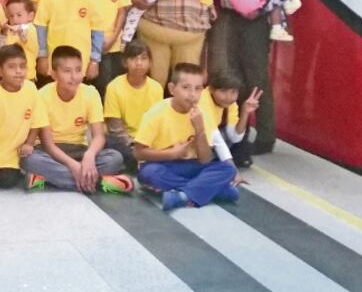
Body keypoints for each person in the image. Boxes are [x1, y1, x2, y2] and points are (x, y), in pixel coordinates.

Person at [208, 0, 297, 156]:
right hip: (234, 18)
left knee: (257, 77)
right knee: (236, 75)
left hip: (256, 23)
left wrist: (265, 8)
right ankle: (242, 131)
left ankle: (266, 136)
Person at [20, 46, 131, 194]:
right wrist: (74, 166)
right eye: (67, 71)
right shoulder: (42, 96)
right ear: (53, 74)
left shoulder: (90, 93)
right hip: (51, 152)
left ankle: (47, 178)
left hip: (80, 150)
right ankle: (100, 182)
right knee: (29, 160)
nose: (74, 76)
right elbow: (48, 144)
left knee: (115, 158)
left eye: (78, 70)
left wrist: (89, 156)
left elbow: (99, 136)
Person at [134, 63, 239, 211]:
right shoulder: (155, 113)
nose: (192, 94)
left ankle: (182, 196)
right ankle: (211, 189)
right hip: (162, 163)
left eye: (198, 89)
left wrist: (200, 130)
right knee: (149, 174)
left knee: (228, 170)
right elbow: (138, 152)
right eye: (186, 88)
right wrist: (172, 154)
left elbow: (205, 159)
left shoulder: (203, 114)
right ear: (172, 89)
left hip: (192, 164)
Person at [34, 0, 104, 83]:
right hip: (54, 59)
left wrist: (95, 61)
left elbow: (97, 31)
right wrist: (42, 56)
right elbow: (41, 26)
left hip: (81, 60)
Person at [0, 45, 42, 189]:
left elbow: (36, 122)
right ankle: (29, 176)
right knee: (6, 180)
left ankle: (31, 175)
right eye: (12, 67)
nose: (18, 71)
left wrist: (29, 144)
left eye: (22, 66)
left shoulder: (31, 88)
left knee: (37, 161)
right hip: (0, 157)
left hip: (22, 154)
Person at [103, 40, 164, 172]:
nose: (139, 63)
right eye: (133, 58)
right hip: (124, 142)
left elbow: (158, 124)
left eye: (143, 58)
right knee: (112, 146)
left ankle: (141, 164)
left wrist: (147, 145)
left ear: (150, 63)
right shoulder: (114, 87)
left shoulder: (156, 88)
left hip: (147, 142)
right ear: (125, 62)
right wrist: (134, 145)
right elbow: (115, 128)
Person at [200, 71, 261, 169]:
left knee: (247, 132)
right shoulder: (202, 100)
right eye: (223, 91)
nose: (228, 97)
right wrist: (232, 169)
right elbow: (215, 137)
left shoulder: (231, 104)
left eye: (233, 92)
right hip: (194, 139)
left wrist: (245, 112)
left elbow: (235, 137)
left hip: (212, 137)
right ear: (211, 89)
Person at [1, 0, 37, 81]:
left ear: (30, 16)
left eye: (19, 15)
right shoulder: (9, 31)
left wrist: (15, 29)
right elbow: (1, 48)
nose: (15, 19)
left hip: (27, 77)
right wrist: (3, 33)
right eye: (11, 16)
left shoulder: (30, 28)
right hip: (9, 77)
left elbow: (24, 35)